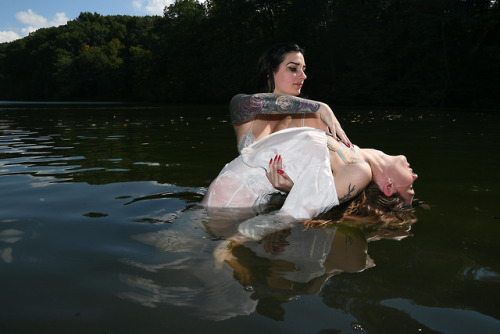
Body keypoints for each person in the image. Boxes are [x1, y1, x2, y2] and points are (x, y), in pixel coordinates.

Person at [203, 127, 418, 241]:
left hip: (231, 201)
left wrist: (231, 243)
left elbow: (290, 216)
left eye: (410, 188)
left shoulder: (358, 171)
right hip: (230, 194)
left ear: (388, 187)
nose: (415, 177)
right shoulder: (350, 149)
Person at [229, 43, 352, 155]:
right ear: (269, 72)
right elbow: (255, 102)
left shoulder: (310, 117)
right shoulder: (241, 104)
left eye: (303, 70)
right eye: (293, 68)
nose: (304, 76)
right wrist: (321, 107)